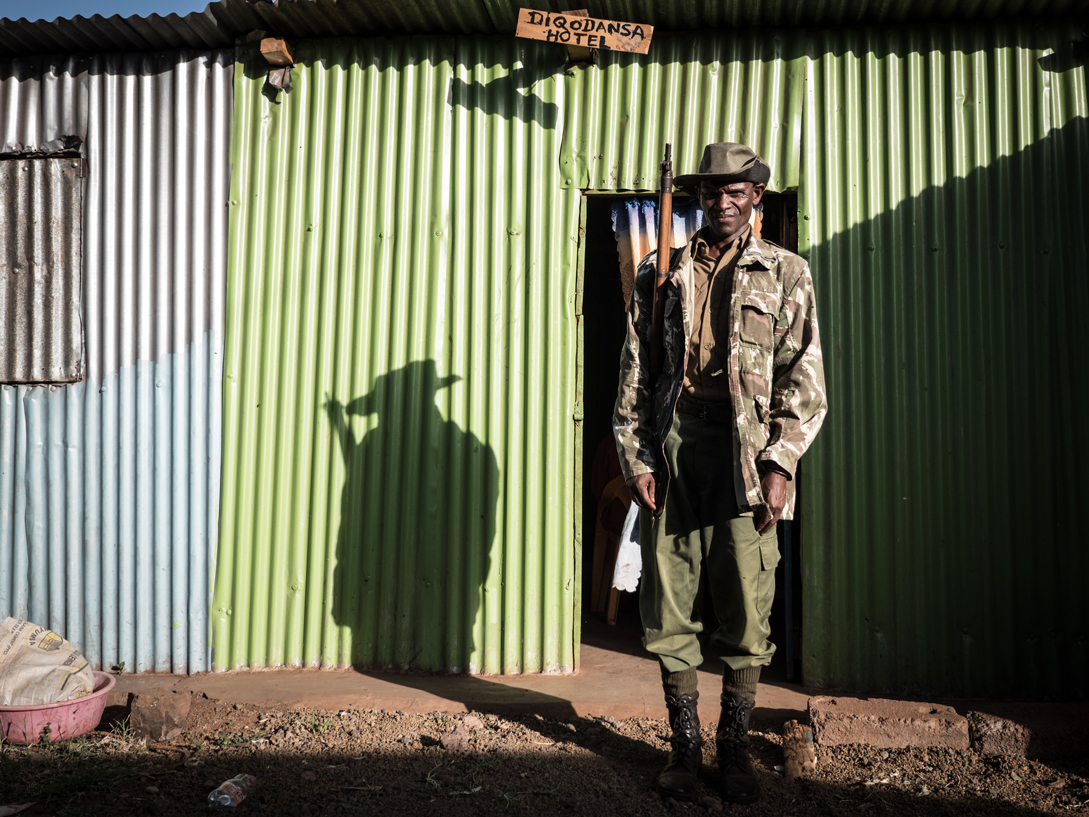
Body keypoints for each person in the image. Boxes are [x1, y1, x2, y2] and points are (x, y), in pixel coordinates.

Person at [613, 142, 827, 804]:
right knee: (669, 599)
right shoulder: (660, 272)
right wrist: (636, 457)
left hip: (745, 452)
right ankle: (683, 750)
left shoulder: (785, 272)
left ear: (757, 197)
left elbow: (804, 377)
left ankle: (732, 752)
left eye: (738, 191)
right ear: (700, 199)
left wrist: (780, 462)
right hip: (677, 446)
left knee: (745, 598)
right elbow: (635, 372)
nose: (723, 201)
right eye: (713, 192)